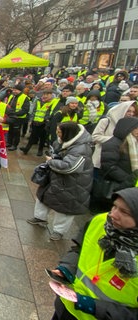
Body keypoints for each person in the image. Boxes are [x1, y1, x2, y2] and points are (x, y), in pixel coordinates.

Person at [49, 187, 138, 319]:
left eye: (124, 212)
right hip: (66, 308)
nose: (113, 214)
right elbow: (79, 249)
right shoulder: (100, 221)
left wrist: (95, 307)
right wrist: (67, 268)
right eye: (114, 206)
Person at [27, 123, 94, 241]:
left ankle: (59, 231)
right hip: (57, 178)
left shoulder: (82, 148)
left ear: (68, 133)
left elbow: (70, 167)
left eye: (59, 132)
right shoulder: (63, 141)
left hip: (73, 183)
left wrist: (51, 162)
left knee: (65, 208)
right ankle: (40, 218)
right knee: (43, 197)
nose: (57, 134)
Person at [93, 117, 138, 212]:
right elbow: (109, 167)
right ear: (127, 128)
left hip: (127, 185)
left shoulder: (134, 143)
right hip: (116, 185)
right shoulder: (112, 144)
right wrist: (128, 179)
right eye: (136, 128)